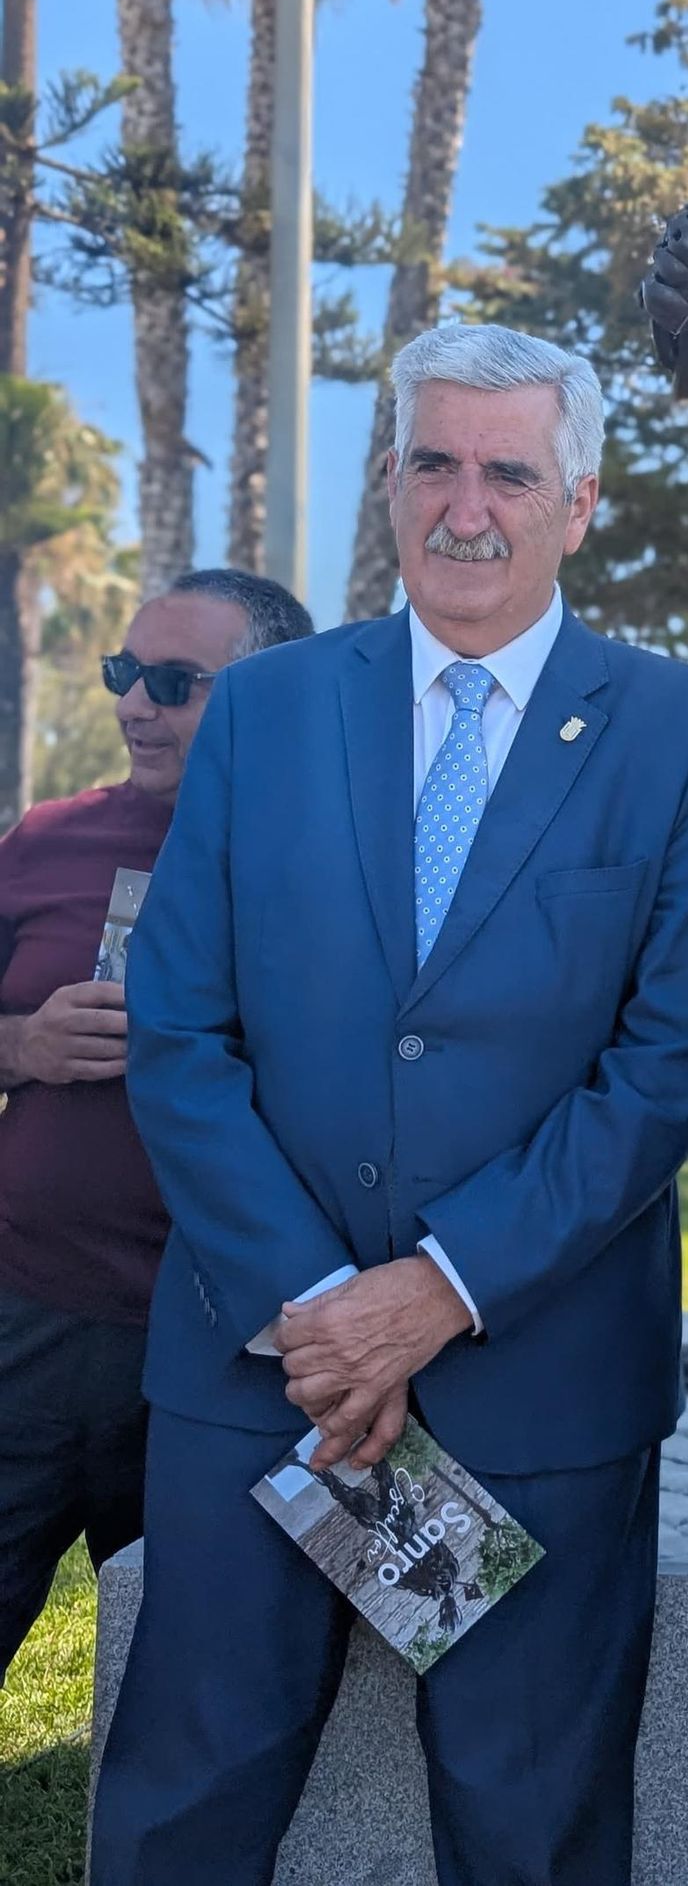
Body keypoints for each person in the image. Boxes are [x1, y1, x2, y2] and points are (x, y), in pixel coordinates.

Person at [93, 325, 688, 1886]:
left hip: (537, 1389)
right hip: (263, 1373)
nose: (468, 506)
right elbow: (180, 1030)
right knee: (183, 1805)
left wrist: (435, 1291)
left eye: (509, 471)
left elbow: (660, 1070)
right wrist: (322, 1305)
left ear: (579, 500)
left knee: (533, 1829)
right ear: (391, 479)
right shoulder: (263, 712)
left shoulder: (683, 735)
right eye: (434, 462)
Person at [0, 569, 313, 1684]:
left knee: (199, 1687)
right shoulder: (45, 838)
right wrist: (19, 1044)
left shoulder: (336, 864)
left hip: (223, 1351)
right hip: (27, 1320)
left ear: (271, 695)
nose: (135, 705)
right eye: (125, 675)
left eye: (175, 683)